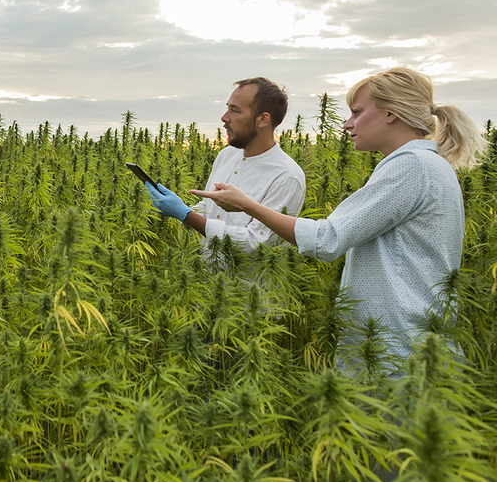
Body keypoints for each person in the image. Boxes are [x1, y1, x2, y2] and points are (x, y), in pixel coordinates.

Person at [190, 68, 486, 364]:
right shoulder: (426, 164)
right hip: (407, 342)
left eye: (357, 112)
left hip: (397, 347)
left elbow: (327, 240)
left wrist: (248, 206)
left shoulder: (411, 167)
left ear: (391, 114)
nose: (347, 124)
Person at [145, 77, 306, 257]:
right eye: (227, 107)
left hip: (248, 284)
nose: (224, 117)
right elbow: (209, 211)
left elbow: (256, 244)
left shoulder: (286, 177)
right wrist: (181, 208)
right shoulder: (227, 155)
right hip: (208, 280)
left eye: (234, 110)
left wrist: (186, 215)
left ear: (262, 119)